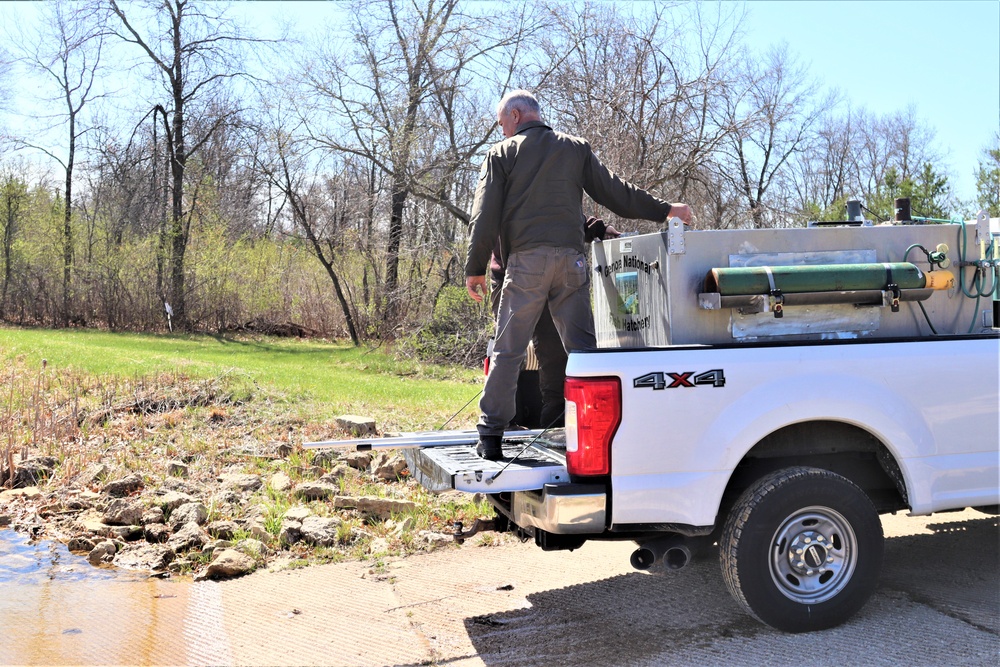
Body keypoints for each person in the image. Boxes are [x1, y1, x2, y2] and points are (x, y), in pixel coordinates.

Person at [466, 90, 692, 460]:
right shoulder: (574, 148)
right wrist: (666, 209)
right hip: (572, 263)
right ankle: (599, 430)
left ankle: (490, 437)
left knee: (509, 351)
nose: (501, 129)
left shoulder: (501, 154)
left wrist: (475, 267)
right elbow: (616, 193)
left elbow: (484, 214)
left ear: (518, 115)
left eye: (502, 122)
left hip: (526, 265)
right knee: (585, 353)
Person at [488, 216, 621, 429]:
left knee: (556, 356)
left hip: (550, 276)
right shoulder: (501, 184)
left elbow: (559, 213)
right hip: (509, 277)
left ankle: (556, 427)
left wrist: (598, 228)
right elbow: (484, 219)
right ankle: (499, 426)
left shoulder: (548, 185)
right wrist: (473, 267)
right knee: (509, 354)